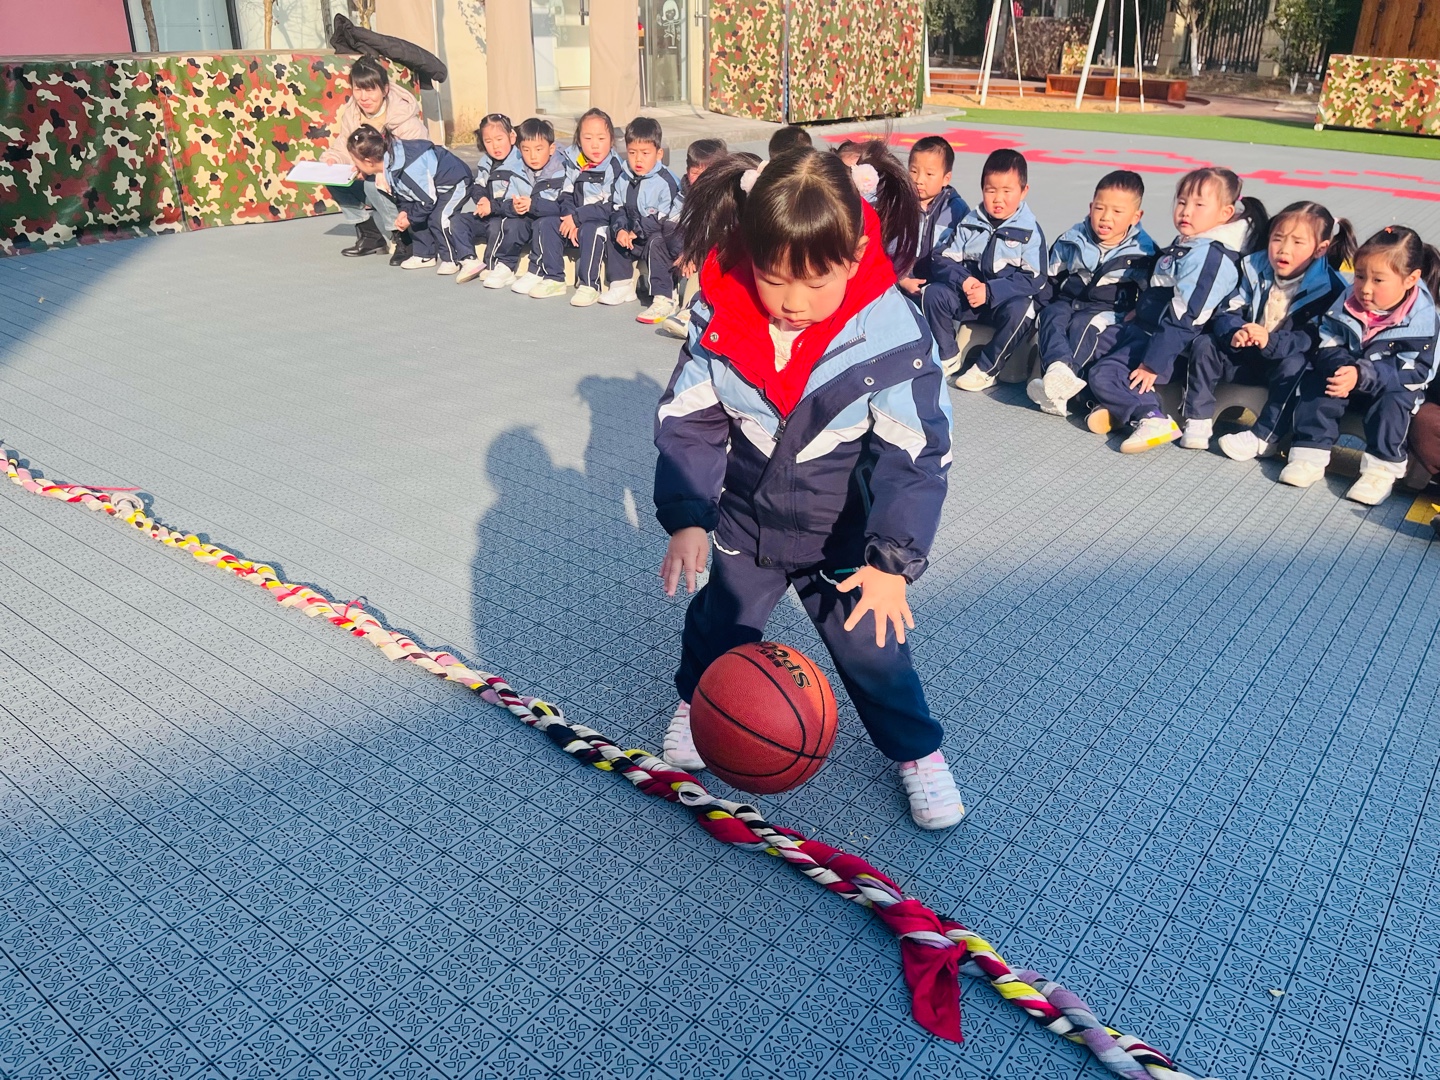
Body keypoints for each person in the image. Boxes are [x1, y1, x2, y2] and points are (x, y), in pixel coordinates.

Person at [652, 143, 964, 831]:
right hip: (746, 515)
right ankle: (699, 703)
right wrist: (688, 515)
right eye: (774, 279)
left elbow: (916, 455)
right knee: (720, 621)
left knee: (874, 649)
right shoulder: (720, 313)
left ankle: (918, 752)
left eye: (816, 283)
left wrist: (892, 564)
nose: (794, 302)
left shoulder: (889, 330)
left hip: (840, 529)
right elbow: (688, 420)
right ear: (750, 252)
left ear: (854, 256)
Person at [1084, 167, 1266, 453]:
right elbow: (1164, 286)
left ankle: (1151, 418)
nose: (1186, 211)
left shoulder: (1212, 256)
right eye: (1181, 202)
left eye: (1199, 205)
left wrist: (1152, 364)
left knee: (1103, 373)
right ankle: (1113, 407)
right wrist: (1140, 309)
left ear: (1225, 213)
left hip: (1173, 348)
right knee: (1093, 344)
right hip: (1148, 329)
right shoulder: (1192, 243)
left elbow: (1187, 317)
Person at [1280, 225, 1440, 504]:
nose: (1365, 289)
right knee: (1320, 380)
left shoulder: (1423, 321)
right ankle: (1309, 455)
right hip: (1349, 376)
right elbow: (1327, 340)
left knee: (1395, 402)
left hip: (1389, 385)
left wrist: (1362, 374)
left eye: (1378, 280)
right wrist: (1343, 368)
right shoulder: (1346, 302)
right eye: (1360, 276)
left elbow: (1416, 370)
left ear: (1410, 279)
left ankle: (1380, 472)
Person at [1195, 201, 1354, 457]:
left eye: (1298, 242)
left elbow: (1312, 337)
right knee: (1205, 344)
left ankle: (1265, 437)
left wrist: (1270, 341)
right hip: (1244, 354)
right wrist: (1234, 331)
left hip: (1280, 362)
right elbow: (1228, 309)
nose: (1284, 249)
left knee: (1296, 366)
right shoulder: (1252, 267)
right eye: (1278, 239)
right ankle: (1197, 418)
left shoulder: (1329, 287)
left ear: (1320, 249)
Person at [1026, 170, 1157, 416]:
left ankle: (1062, 387)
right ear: (1090, 207)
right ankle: (1057, 370)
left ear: (1136, 216)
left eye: (1117, 212)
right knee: (1050, 315)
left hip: (1108, 310)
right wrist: (1039, 307)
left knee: (1083, 326)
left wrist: (1139, 311)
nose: (1106, 217)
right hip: (1069, 301)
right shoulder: (1072, 239)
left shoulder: (1143, 252)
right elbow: (1051, 278)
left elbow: (1153, 292)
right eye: (1099, 208)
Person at [920, 148, 1048, 390]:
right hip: (969, 298)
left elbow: (1035, 278)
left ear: (1023, 191)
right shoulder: (970, 223)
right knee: (933, 292)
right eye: (991, 190)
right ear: (982, 190)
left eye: (1007, 191)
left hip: (1003, 304)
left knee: (1024, 309)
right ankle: (948, 355)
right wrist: (965, 281)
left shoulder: (1029, 231)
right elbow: (941, 259)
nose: (998, 199)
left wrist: (990, 291)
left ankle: (986, 368)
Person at [323, 55, 428, 264]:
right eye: (358, 89)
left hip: (408, 191)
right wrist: (333, 159)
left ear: (384, 89)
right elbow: (344, 144)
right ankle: (370, 236)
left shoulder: (404, 120)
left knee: (373, 182)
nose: (363, 97)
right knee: (334, 179)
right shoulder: (353, 114)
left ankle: (403, 238)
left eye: (370, 90)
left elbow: (421, 161)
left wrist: (382, 171)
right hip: (374, 183)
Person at [345, 124, 471, 275]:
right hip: (431, 189)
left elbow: (427, 201)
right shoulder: (390, 162)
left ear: (368, 161)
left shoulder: (408, 169)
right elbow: (405, 193)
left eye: (356, 161)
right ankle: (424, 255)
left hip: (455, 183)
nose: (355, 166)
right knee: (414, 213)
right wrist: (405, 211)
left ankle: (451, 258)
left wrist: (410, 218)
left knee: (438, 218)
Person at [602, 117, 685, 324]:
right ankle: (621, 284)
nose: (638, 159)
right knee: (612, 232)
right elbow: (617, 207)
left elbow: (663, 218)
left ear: (659, 153)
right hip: (632, 236)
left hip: (655, 237)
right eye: (632, 153)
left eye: (645, 153)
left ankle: (665, 297)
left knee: (658, 242)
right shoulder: (623, 177)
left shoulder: (666, 182)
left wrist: (636, 232)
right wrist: (621, 229)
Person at [657, 138, 730, 339]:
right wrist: (685, 251)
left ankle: (689, 313)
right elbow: (673, 225)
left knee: (706, 260)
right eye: (695, 173)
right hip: (688, 248)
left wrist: (694, 253)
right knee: (657, 242)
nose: (700, 180)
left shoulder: (726, 197)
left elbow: (721, 233)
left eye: (707, 174)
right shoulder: (685, 194)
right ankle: (664, 297)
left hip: (715, 251)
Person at [507, 118, 578, 299]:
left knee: (544, 222)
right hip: (534, 224)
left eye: (539, 149)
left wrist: (534, 205)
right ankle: (503, 264)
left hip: (562, 227)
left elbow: (563, 206)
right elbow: (507, 199)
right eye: (526, 150)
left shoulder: (562, 170)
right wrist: (513, 206)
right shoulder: (517, 169)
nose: (533, 156)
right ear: (519, 149)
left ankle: (547, 274)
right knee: (511, 221)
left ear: (551, 149)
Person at [561, 108, 626, 307]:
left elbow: (611, 206)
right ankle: (549, 275)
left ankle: (589, 285)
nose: (595, 145)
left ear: (612, 140)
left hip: (603, 220)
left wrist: (578, 218)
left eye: (601, 138)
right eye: (588, 138)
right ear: (579, 140)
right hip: (576, 217)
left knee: (591, 229)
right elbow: (566, 193)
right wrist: (569, 217)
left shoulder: (614, 166)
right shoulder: (575, 161)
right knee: (548, 223)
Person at [897, 135, 969, 298]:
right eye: (913, 171)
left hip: (940, 286)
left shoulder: (957, 209)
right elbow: (887, 248)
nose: (919, 180)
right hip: (901, 281)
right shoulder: (899, 204)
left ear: (946, 178)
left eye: (929, 174)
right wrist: (901, 279)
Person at [454, 113, 515, 284]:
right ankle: (469, 259)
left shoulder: (519, 162)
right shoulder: (485, 162)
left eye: (499, 139)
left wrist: (492, 206)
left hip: (506, 216)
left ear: (511, 137)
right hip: (487, 213)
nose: (495, 146)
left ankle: (491, 265)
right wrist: (481, 199)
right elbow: (478, 185)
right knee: (458, 220)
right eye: (488, 141)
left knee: (496, 226)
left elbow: (515, 196)